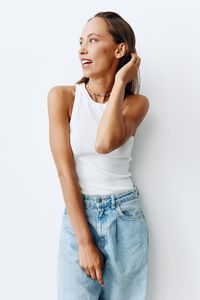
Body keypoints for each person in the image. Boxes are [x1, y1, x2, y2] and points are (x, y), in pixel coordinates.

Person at [47, 11, 150, 300]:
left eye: (93, 40)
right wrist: (84, 242)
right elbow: (65, 171)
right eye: (81, 41)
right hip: (79, 214)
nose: (82, 49)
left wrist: (119, 83)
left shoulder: (136, 104)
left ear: (119, 50)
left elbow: (104, 143)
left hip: (125, 217)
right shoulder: (62, 97)